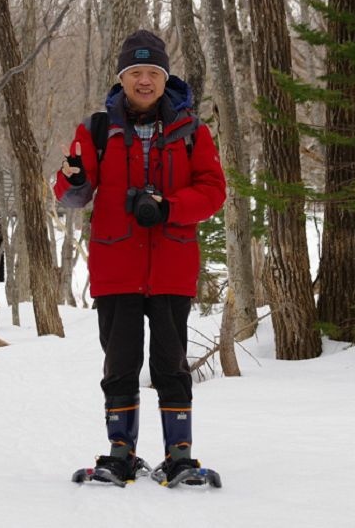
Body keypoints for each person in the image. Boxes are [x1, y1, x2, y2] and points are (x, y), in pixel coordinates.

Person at [54, 29, 226, 484]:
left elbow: (213, 191)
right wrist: (70, 181)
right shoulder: (96, 129)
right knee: (120, 364)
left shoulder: (192, 131)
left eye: (153, 72)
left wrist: (169, 206)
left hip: (171, 266)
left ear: (164, 77)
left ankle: (180, 456)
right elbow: (73, 197)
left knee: (171, 365)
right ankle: (120, 453)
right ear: (122, 78)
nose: (145, 81)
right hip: (116, 268)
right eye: (136, 72)